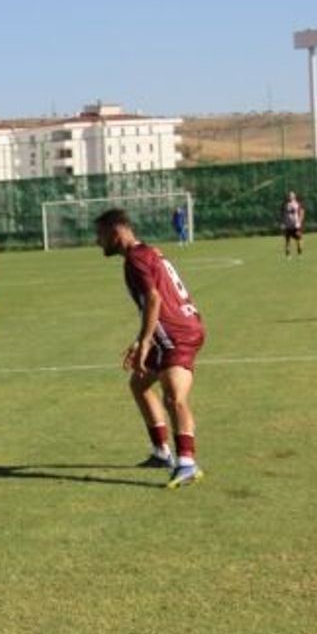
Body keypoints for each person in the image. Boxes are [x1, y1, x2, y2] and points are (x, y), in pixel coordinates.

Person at [94, 209, 205, 489]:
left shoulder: (135, 259)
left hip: (177, 333)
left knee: (174, 398)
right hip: (173, 327)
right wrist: (141, 338)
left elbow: (154, 299)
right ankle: (161, 453)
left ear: (115, 233)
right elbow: (155, 300)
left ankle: (187, 463)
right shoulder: (147, 252)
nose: (98, 242)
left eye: (100, 235)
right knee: (140, 383)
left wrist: (146, 341)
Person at [280, 191, 305, 258]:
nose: (290, 197)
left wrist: (299, 222)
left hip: (296, 225)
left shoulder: (298, 204)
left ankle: (300, 253)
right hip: (288, 225)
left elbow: (302, 213)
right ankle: (288, 255)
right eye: (289, 195)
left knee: (298, 239)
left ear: (294, 196)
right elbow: (282, 214)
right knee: (287, 240)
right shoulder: (285, 205)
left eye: (291, 195)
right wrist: (282, 223)